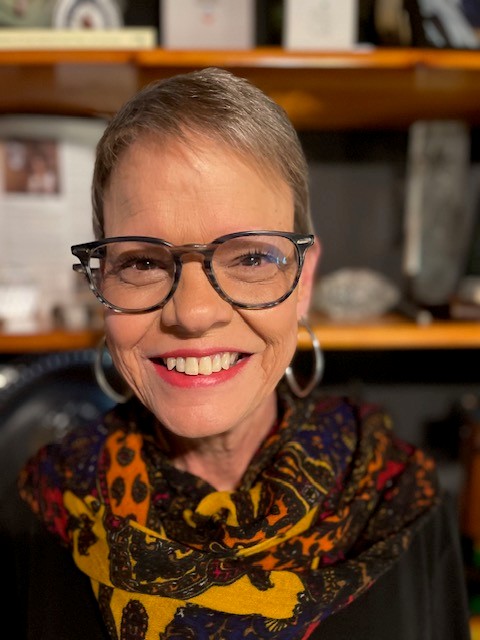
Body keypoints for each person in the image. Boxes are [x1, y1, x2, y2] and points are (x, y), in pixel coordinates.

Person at [0, 67, 471, 639]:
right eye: (143, 262)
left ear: (304, 280)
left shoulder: (399, 503)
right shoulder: (38, 514)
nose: (194, 313)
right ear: (103, 280)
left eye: (250, 258)